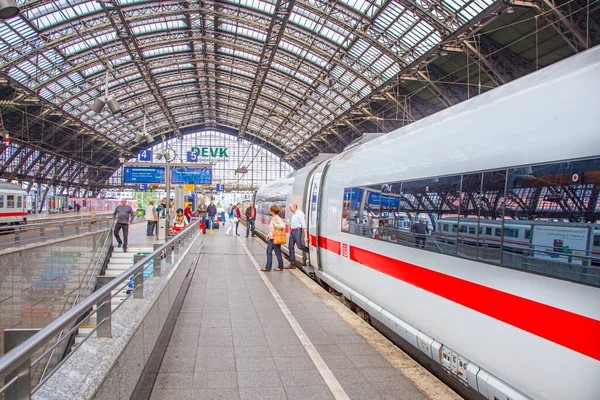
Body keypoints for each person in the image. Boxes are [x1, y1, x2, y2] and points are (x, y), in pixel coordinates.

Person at [261, 205, 286, 272]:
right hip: (272, 238)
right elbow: (272, 230)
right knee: (269, 252)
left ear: (273, 211)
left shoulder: (277, 218)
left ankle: (280, 267)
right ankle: (268, 267)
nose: (269, 211)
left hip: (276, 238)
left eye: (270, 210)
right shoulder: (273, 218)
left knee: (277, 252)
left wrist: (276, 225)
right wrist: (268, 235)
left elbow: (283, 225)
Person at [285, 203, 310, 269]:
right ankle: (292, 264)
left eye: (291, 208)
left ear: (295, 207)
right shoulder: (294, 214)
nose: (290, 210)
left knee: (299, 246)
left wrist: (306, 236)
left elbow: (304, 224)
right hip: (293, 231)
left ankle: (310, 251)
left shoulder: (299, 213)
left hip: (297, 231)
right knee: (290, 247)